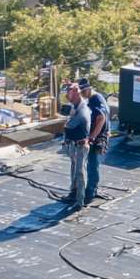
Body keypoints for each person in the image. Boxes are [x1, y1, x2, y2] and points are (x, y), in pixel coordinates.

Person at [61, 82, 91, 211]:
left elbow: (69, 127)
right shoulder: (76, 106)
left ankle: (80, 201)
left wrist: (65, 129)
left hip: (80, 145)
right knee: (74, 170)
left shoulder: (82, 110)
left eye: (69, 94)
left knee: (79, 173)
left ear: (76, 94)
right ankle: (73, 194)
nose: (68, 97)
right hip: (74, 144)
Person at [79, 77, 109, 206]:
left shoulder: (95, 100)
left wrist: (92, 137)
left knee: (92, 164)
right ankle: (91, 190)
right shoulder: (97, 97)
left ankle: (90, 193)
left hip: (98, 138)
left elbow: (101, 118)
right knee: (92, 164)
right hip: (99, 136)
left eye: (83, 92)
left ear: (88, 90)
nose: (82, 95)